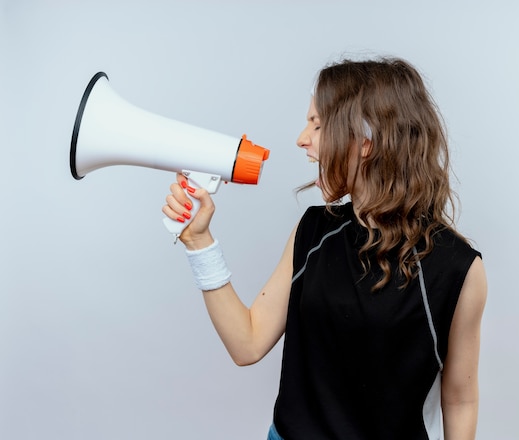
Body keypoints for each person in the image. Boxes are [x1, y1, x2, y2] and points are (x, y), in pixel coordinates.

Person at [163, 56, 487, 440]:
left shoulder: (458, 268)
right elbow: (246, 344)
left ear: (365, 142)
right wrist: (200, 243)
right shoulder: (314, 231)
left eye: (317, 124)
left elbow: (460, 400)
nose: (302, 138)